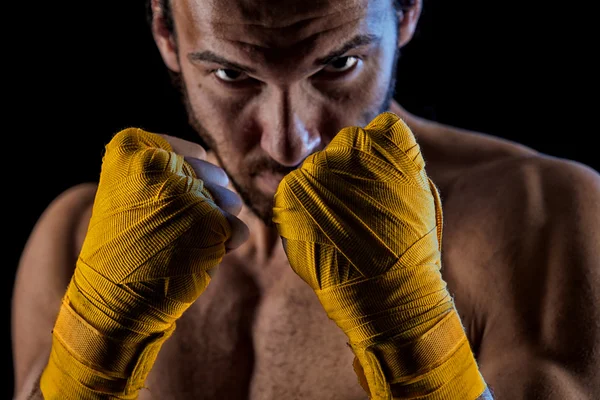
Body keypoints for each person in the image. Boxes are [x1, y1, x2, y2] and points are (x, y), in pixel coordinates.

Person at [11, 0, 599, 399]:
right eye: (233, 77)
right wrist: (87, 362)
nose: (290, 140)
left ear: (406, 16)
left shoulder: (542, 218)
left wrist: (418, 344)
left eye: (339, 65)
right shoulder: (76, 237)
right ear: (166, 34)